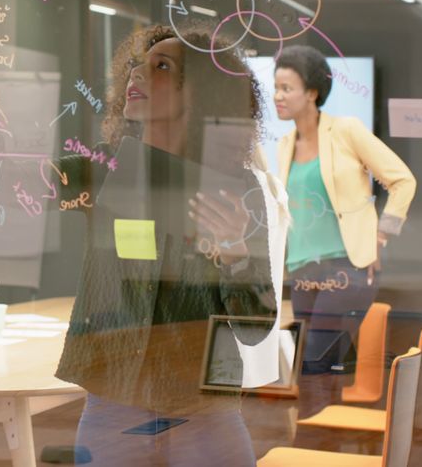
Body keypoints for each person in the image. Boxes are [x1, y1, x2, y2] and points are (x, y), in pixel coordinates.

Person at [53, 25, 285, 466]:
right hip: (113, 397)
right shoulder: (105, 168)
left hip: (203, 408)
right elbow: (17, 188)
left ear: (202, 94)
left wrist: (236, 253)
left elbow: (256, 327)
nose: (138, 73)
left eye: (162, 66)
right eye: (138, 63)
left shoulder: (236, 187)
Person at [272, 45, 416, 410]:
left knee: (313, 363)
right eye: (276, 87)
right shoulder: (284, 144)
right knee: (320, 366)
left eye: (287, 88)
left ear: (312, 93)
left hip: (347, 267)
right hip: (302, 271)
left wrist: (381, 236)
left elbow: (402, 181)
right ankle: (324, 443)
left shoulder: (346, 131)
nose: (278, 96)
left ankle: (309, 443)